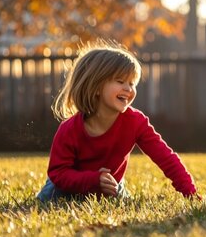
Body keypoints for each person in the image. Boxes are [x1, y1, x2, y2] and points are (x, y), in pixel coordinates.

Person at [37, 41, 197, 201]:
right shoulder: (69, 129)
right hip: (65, 187)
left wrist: (190, 193)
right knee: (48, 199)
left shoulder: (135, 122)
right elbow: (58, 174)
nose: (128, 89)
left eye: (132, 83)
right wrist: (93, 180)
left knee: (121, 198)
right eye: (120, 82)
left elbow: (166, 158)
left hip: (111, 185)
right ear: (96, 86)